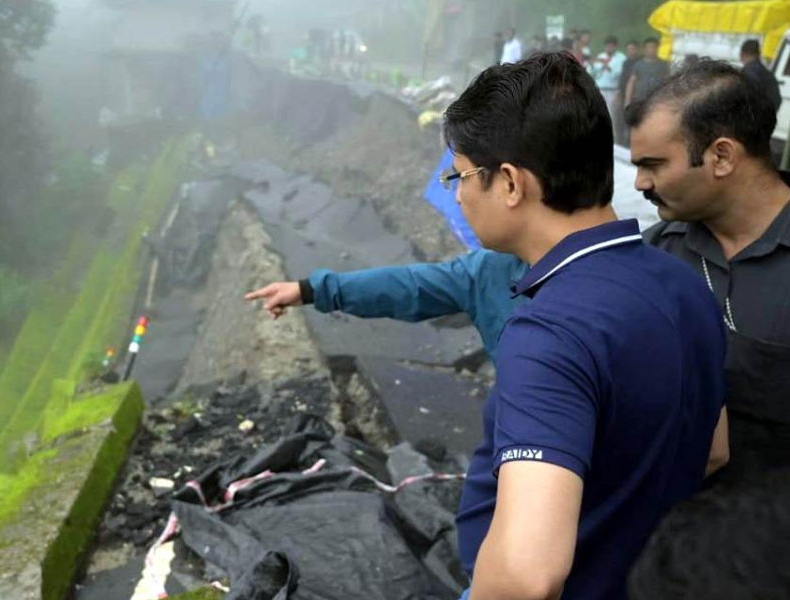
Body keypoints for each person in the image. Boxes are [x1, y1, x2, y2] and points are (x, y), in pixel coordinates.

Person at [247, 52, 727, 600]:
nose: (455, 194)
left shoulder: (547, 333)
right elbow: (715, 452)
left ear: (510, 183)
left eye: (460, 174)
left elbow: (527, 575)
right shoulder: (688, 285)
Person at [626, 59, 790, 598]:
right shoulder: (654, 256)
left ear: (721, 155)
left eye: (654, 164)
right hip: (666, 561)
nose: (640, 182)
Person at [739, 38, 782, 116]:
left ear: (742, 54)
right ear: (758, 54)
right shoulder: (768, 74)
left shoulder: (748, 72)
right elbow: (777, 100)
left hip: (752, 119)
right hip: (766, 118)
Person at [591, 35, 626, 126]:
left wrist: (608, 67)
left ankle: (612, 139)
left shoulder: (621, 58)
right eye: (607, 46)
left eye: (611, 46)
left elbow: (618, 74)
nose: (609, 48)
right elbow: (595, 73)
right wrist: (592, 65)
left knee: (611, 116)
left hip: (613, 90)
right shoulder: (600, 56)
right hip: (600, 89)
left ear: (615, 46)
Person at [624, 37, 670, 107]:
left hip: (657, 100)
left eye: (654, 47)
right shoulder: (638, 65)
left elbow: (668, 82)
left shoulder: (664, 65)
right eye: (649, 47)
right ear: (644, 49)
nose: (651, 50)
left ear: (658, 48)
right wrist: (627, 100)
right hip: (640, 99)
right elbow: (631, 83)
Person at [615, 40, 641, 145]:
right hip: (622, 94)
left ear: (637, 50)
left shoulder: (640, 63)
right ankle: (620, 143)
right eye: (628, 49)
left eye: (633, 49)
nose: (631, 51)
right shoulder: (625, 62)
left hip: (635, 96)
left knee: (633, 121)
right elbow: (623, 79)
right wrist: (619, 93)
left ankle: (631, 143)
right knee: (620, 120)